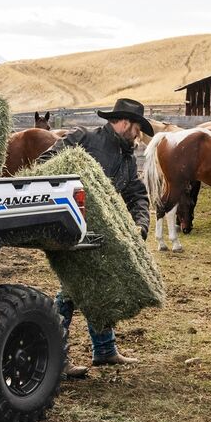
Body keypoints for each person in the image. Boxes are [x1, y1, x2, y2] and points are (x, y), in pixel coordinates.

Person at [35, 98, 152, 378]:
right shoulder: (83, 139)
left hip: (100, 234)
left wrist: (140, 225)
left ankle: (104, 349)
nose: (138, 134)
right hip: (70, 229)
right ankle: (54, 356)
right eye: (137, 127)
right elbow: (44, 165)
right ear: (123, 122)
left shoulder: (126, 157)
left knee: (98, 284)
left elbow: (136, 194)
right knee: (72, 289)